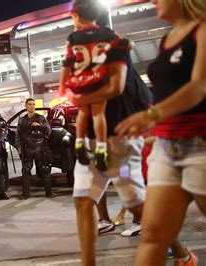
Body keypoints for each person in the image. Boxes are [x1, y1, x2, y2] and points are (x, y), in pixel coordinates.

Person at [115, 0, 206, 265]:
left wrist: (152, 115)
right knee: (153, 236)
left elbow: (199, 86)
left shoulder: (202, 30)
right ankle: (186, 260)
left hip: (201, 143)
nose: (154, 1)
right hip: (167, 148)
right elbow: (167, 92)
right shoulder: (167, 39)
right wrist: (155, 127)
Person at [59, 0, 133, 172]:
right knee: (98, 113)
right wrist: (129, 43)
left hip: (78, 81)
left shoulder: (73, 37)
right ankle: (100, 148)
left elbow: (67, 63)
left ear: (76, 16)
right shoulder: (106, 33)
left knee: (83, 112)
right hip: (97, 78)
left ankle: (79, 143)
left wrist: (62, 85)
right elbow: (124, 43)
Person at [15, 98, 53, 199]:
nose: (32, 106)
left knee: (44, 170)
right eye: (30, 104)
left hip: (40, 148)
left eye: (33, 104)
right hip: (27, 149)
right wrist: (18, 147)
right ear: (26, 106)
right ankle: (25, 194)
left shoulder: (41, 118)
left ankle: (49, 192)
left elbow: (49, 131)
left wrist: (40, 126)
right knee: (26, 171)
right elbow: (18, 135)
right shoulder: (22, 120)